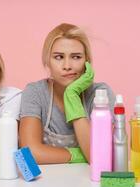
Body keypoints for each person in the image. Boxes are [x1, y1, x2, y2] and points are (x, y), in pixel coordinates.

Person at [19, 23, 115, 164]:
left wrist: (72, 96)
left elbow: (103, 162)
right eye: (59, 57)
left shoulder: (100, 94)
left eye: (76, 57)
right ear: (48, 61)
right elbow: (28, 154)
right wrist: (78, 155)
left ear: (87, 62)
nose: (67, 66)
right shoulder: (35, 92)